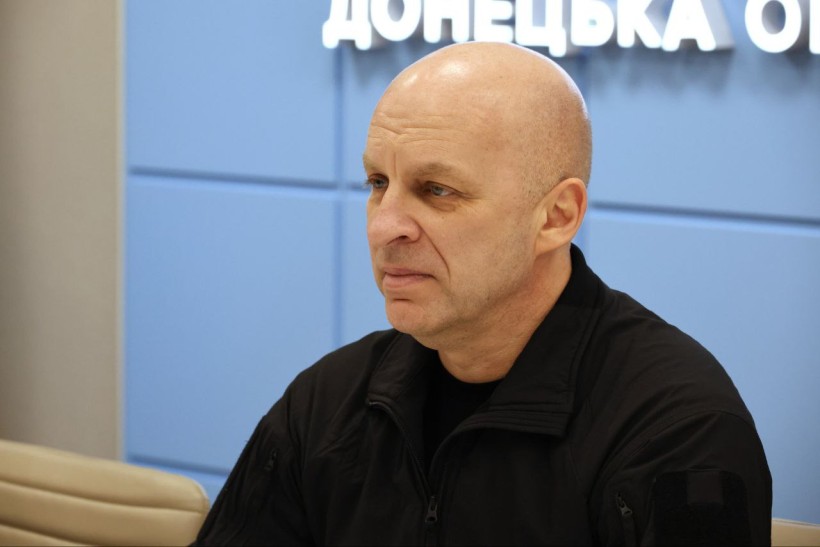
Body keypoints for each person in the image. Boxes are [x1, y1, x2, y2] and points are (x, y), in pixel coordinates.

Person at [194, 42, 771, 545]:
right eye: (377, 182)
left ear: (556, 216)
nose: (383, 226)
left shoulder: (676, 428)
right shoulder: (326, 402)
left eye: (437, 190)